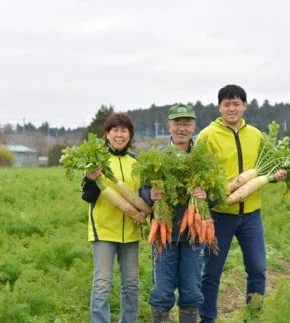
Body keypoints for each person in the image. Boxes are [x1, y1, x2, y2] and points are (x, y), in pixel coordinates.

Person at [196, 85, 287, 323]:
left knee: (257, 268)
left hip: (251, 214)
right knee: (212, 272)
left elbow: (269, 167)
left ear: (245, 106)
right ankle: (207, 318)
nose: (232, 108)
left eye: (236, 103)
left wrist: (277, 176)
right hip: (219, 213)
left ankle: (253, 317)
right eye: (226, 104)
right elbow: (198, 171)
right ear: (219, 107)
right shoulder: (207, 136)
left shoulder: (256, 135)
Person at [140, 104, 208, 323]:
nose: (182, 128)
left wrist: (206, 194)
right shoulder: (156, 156)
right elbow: (141, 189)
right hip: (164, 233)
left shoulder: (202, 157)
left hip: (194, 234)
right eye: (177, 123)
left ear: (194, 126)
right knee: (162, 290)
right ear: (168, 126)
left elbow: (216, 192)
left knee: (191, 290)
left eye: (186, 123)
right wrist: (150, 193)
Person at [81, 113, 148, 323]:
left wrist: (145, 209)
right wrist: (91, 180)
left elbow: (144, 194)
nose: (119, 134)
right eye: (115, 130)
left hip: (131, 231)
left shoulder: (137, 162)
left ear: (130, 135)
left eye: (124, 130)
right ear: (107, 135)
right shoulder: (97, 162)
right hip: (104, 231)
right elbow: (88, 196)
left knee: (131, 284)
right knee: (102, 283)